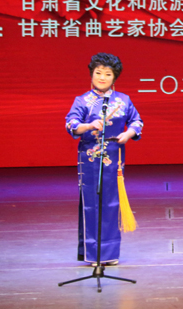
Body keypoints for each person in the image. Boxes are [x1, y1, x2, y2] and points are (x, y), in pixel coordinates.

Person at [65, 53, 143, 265]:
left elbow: (137, 121)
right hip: (90, 158)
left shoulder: (123, 100)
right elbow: (71, 123)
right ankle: (93, 254)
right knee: (92, 203)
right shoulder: (82, 101)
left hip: (114, 157)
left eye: (107, 74)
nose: (102, 77)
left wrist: (128, 134)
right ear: (91, 74)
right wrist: (88, 126)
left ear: (114, 77)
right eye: (98, 73)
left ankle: (109, 254)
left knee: (111, 203)